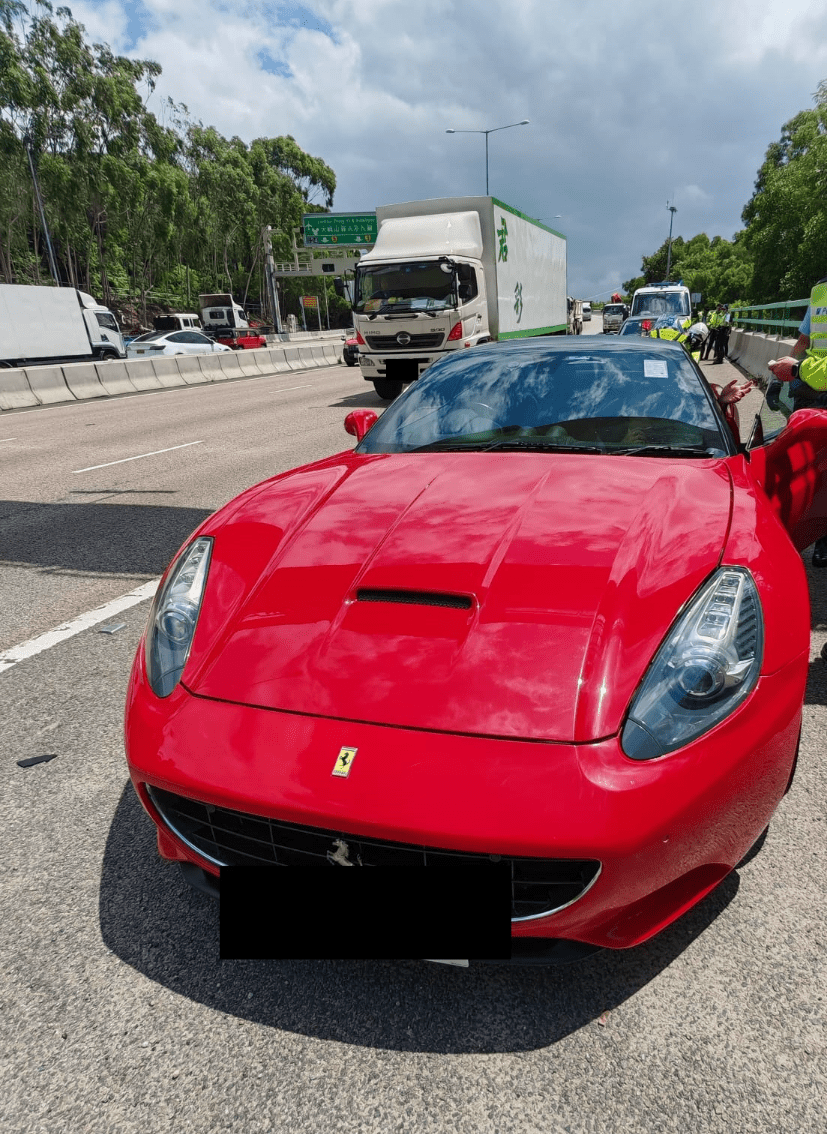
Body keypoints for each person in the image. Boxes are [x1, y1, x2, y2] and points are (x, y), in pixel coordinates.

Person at [767, 274, 827, 564]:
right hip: (813, 386)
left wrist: (796, 371)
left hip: (812, 378)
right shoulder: (820, 291)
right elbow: (804, 340)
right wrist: (781, 376)